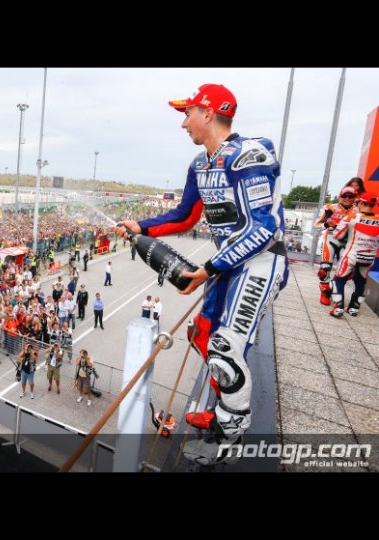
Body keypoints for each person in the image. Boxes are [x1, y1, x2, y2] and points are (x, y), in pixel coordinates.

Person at [119, 83, 288, 465]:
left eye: (187, 113)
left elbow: (263, 230)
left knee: (226, 350)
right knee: (204, 334)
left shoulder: (248, 155)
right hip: (225, 265)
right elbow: (185, 216)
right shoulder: (200, 164)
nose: (183, 123)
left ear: (208, 113)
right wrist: (141, 226)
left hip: (259, 263)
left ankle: (228, 438)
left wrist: (206, 270)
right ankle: (223, 405)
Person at [330, 191, 379, 317]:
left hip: (351, 254)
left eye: (357, 203)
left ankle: (338, 307)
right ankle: (354, 308)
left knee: (338, 280)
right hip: (369, 257)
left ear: (361, 203)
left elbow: (337, 234)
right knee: (361, 281)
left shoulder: (352, 217)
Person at [315, 185, 357, 305]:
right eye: (345, 195)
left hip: (347, 244)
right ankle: (325, 291)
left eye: (351, 196)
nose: (348, 198)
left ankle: (332, 286)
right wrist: (327, 224)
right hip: (330, 241)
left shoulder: (358, 211)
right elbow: (317, 225)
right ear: (340, 196)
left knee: (348, 273)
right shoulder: (330, 208)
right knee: (324, 270)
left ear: (355, 198)